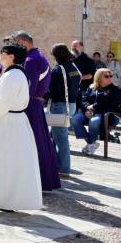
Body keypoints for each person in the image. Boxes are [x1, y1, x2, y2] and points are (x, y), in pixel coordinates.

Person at [0, 44, 41, 213]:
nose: (0, 57)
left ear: (11, 57)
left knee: (0, 162)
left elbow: (3, 104)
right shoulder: (14, 74)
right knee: (7, 163)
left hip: (6, 123)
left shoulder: (12, 76)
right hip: (10, 122)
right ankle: (1, 199)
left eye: (2, 54)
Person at [14, 31, 60, 191]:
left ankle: (37, 181)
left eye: (16, 44)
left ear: (24, 42)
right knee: (40, 142)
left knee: (32, 143)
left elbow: (29, 87)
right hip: (35, 104)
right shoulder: (39, 56)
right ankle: (45, 180)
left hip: (30, 105)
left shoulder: (31, 60)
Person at [73, 68, 121, 156]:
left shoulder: (116, 90)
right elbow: (84, 100)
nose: (109, 78)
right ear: (99, 77)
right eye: (106, 76)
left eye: (110, 76)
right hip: (90, 112)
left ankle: (90, 143)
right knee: (75, 119)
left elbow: (109, 103)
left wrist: (93, 108)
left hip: (108, 115)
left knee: (94, 121)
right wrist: (87, 109)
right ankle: (91, 143)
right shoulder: (91, 88)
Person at [48, 44, 80, 179]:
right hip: (71, 104)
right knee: (54, 135)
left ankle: (64, 169)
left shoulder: (58, 69)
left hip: (59, 106)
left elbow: (51, 90)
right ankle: (53, 164)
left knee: (61, 138)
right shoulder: (74, 67)